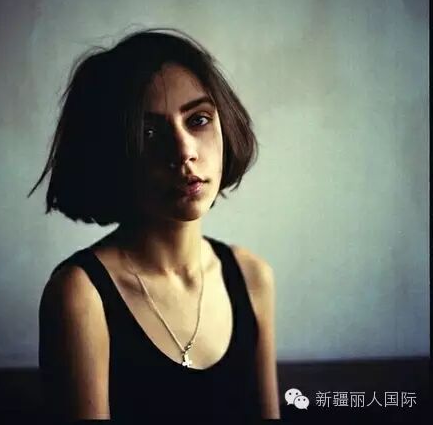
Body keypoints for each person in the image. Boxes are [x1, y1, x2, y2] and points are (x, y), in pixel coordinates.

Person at [28, 28, 280, 422]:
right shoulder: (80, 295)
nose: (184, 151)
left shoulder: (252, 277)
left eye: (198, 120)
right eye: (149, 133)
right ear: (111, 152)